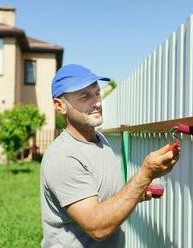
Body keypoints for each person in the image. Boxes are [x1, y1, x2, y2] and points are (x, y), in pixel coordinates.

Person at [40, 64, 180, 248]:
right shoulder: (63, 157)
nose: (96, 102)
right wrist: (145, 174)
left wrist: (136, 193)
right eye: (85, 96)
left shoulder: (100, 140)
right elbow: (97, 227)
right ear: (60, 105)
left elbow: (104, 200)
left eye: (97, 93)